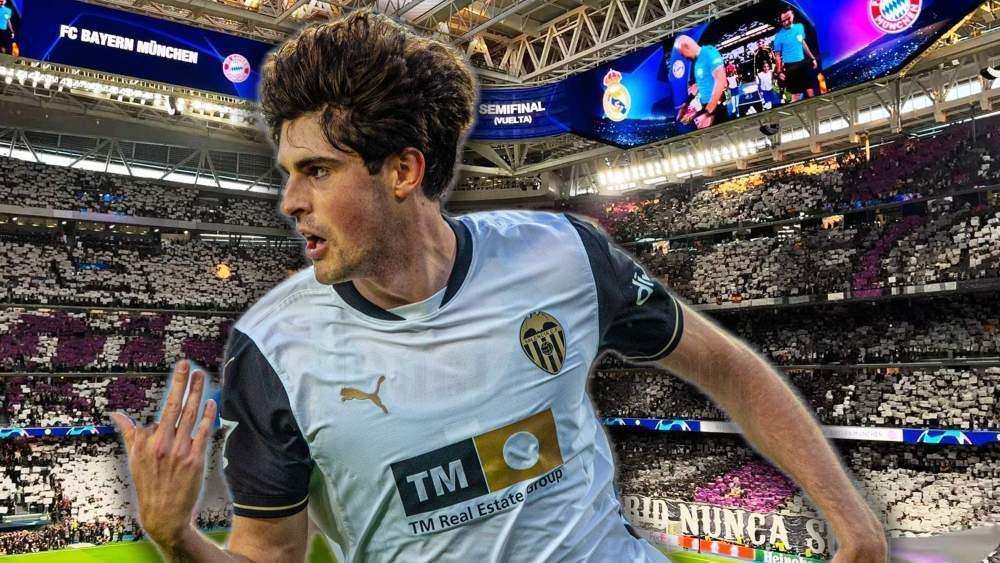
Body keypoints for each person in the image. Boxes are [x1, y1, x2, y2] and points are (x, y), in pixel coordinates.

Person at [111, 10, 888, 563]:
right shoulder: (271, 349)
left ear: (403, 171)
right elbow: (271, 554)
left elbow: (728, 365)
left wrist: (855, 522)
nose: (290, 200)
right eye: (289, 172)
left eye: (317, 170)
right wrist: (178, 539)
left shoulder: (563, 253)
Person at [674, 35, 730, 129]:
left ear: (687, 46)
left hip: (716, 110)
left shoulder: (709, 52)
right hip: (707, 109)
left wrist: (707, 113)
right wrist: (685, 104)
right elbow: (698, 86)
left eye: (683, 54)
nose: (684, 57)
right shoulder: (697, 63)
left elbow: (721, 80)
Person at [773, 8, 818, 102]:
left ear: (792, 16)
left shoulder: (799, 27)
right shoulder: (778, 36)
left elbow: (802, 43)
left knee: (810, 90)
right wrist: (779, 71)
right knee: (796, 95)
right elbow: (777, 56)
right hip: (790, 68)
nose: (786, 22)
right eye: (783, 21)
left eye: (788, 18)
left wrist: (812, 58)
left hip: (803, 64)